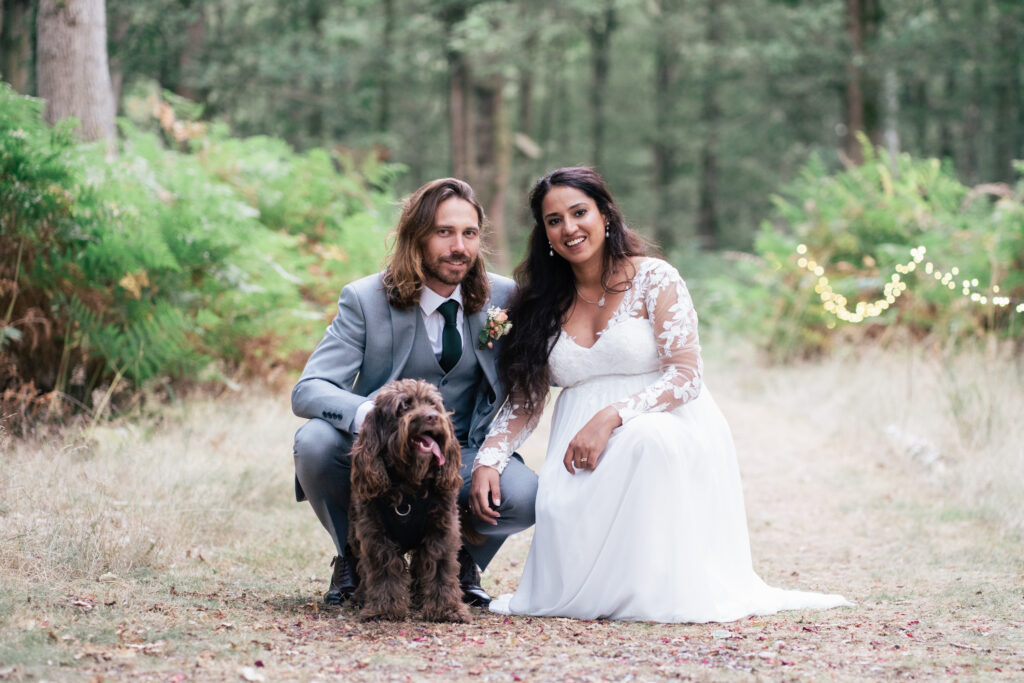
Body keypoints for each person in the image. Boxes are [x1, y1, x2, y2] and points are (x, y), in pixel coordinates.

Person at [469, 167, 851, 622]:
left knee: (650, 438)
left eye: (579, 212)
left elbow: (686, 376)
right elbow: (526, 399)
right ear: (544, 234)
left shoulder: (654, 278)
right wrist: (490, 459)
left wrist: (612, 416)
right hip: (578, 455)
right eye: (554, 220)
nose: (569, 228)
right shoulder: (540, 305)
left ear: (605, 215)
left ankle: (658, 586)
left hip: (668, 427)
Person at [292, 178, 538, 607]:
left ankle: (458, 561)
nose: (458, 246)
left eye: (469, 233)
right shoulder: (365, 299)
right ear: (415, 237)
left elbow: (527, 391)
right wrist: (369, 416)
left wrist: (493, 458)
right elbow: (309, 389)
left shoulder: (505, 298)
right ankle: (354, 556)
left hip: (461, 454)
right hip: (381, 456)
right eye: (443, 232)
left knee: (525, 494)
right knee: (314, 442)